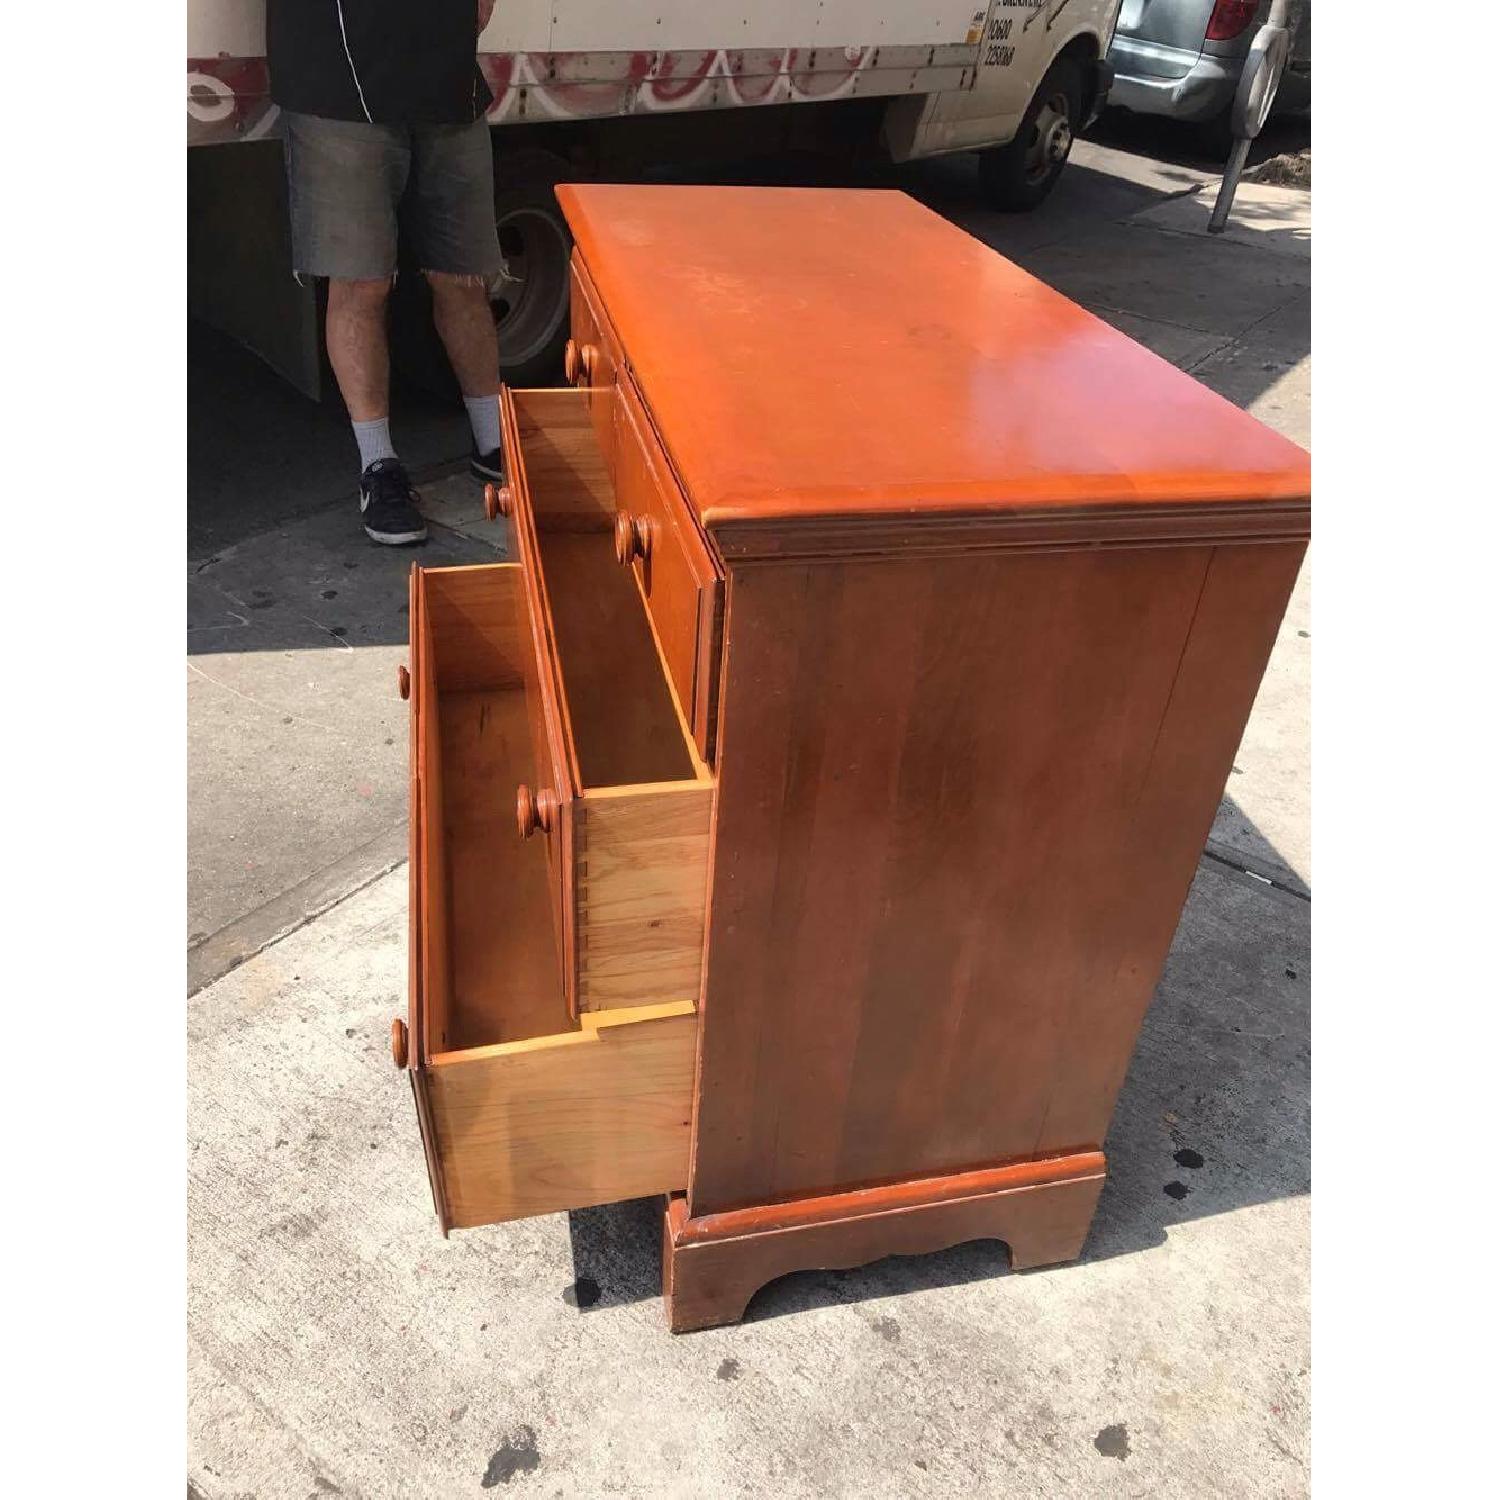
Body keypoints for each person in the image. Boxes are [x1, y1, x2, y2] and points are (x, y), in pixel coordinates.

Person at [267, 1, 504, 545]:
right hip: (336, 86)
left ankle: (494, 447)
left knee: (462, 276)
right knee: (360, 282)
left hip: (448, 84)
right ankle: (379, 468)